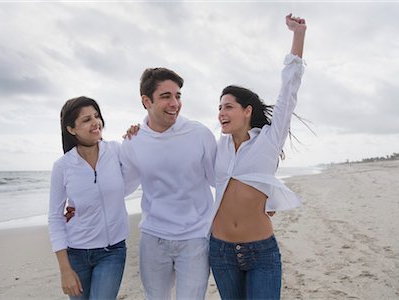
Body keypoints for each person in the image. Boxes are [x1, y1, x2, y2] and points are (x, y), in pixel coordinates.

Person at [209, 14, 307, 299]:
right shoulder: (216, 146)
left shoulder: (269, 139)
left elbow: (290, 89)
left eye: (228, 106)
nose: (221, 113)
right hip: (221, 251)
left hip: (260, 251)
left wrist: (298, 35)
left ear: (247, 110)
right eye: (219, 108)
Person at [119, 68, 217, 299]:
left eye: (178, 96)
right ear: (146, 101)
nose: (175, 103)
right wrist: (77, 202)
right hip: (154, 238)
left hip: (195, 236)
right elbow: (122, 187)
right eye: (166, 96)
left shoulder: (199, 133)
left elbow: (219, 180)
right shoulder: (134, 141)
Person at [48, 96, 128, 300]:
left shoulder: (117, 150)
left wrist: (137, 135)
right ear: (71, 129)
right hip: (76, 254)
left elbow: (132, 179)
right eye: (86, 120)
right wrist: (65, 270)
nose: (95, 122)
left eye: (96, 116)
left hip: (112, 251)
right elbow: (55, 217)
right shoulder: (63, 166)